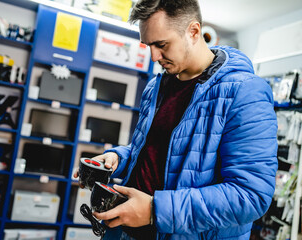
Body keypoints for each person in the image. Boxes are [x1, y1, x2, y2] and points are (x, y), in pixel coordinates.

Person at [74, 0, 278, 239]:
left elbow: (250, 196)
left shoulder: (245, 92)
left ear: (193, 31)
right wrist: (119, 157)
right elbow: (157, 152)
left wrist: (154, 210)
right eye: (148, 45)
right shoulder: (156, 86)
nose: (153, 56)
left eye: (161, 44)